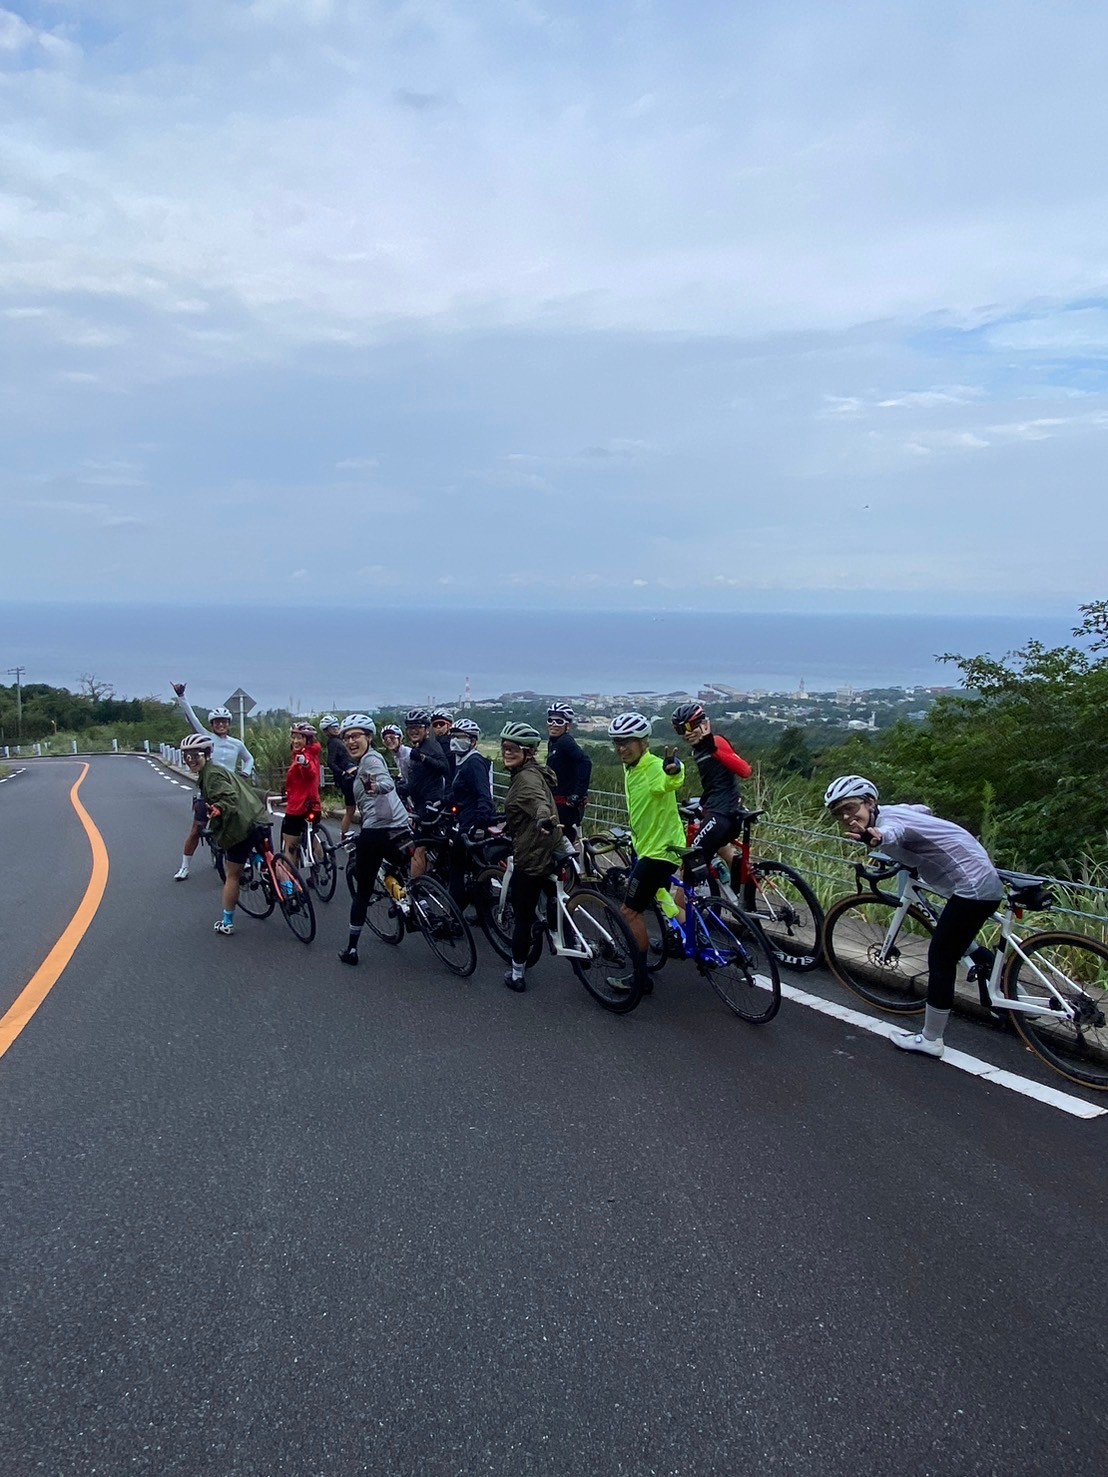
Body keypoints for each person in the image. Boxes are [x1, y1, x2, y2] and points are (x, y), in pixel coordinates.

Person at [825, 775, 1004, 1059]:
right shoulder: (892, 810)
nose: (846, 817)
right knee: (958, 939)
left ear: (870, 802)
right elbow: (922, 810)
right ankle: (1011, 993)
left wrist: (877, 839)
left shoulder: (887, 823)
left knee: (941, 958)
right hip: (976, 877)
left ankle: (931, 1039)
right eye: (839, 813)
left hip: (973, 885)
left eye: (850, 808)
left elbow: (892, 833)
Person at [609, 712, 685, 967]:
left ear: (644, 742)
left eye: (627, 742)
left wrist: (675, 770)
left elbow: (670, 780)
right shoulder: (631, 767)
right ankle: (695, 940)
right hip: (653, 847)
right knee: (663, 895)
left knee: (629, 911)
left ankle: (640, 977)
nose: (621, 748)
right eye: (617, 742)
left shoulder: (652, 767)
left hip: (658, 852)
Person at [337, 715, 413, 967]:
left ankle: (351, 949)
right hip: (401, 827)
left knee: (363, 891)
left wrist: (376, 787)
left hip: (378, 831)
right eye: (347, 737)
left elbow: (385, 782)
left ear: (368, 738)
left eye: (356, 736)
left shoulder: (371, 760)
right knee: (405, 872)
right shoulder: (364, 763)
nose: (351, 741)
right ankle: (416, 905)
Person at [179, 732, 268, 934]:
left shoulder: (211, 776)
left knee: (233, 875)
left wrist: (219, 807)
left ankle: (227, 923)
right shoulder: (220, 770)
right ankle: (289, 891)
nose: (191, 760)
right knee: (269, 857)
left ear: (207, 754)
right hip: (258, 819)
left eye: (195, 755)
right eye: (187, 756)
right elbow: (245, 791)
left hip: (240, 827)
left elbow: (229, 797)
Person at [499, 721, 562, 992]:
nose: (507, 752)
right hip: (553, 846)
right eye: (505, 747)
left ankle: (517, 974)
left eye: (513, 748)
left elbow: (538, 804)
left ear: (528, 753)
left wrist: (543, 819)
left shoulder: (525, 780)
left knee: (522, 915)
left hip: (533, 854)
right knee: (553, 896)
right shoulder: (534, 772)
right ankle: (561, 932)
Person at [170, 681, 255, 880]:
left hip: (231, 790)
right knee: (197, 828)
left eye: (224, 721)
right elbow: (192, 718)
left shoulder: (236, 744)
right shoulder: (206, 738)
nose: (221, 725)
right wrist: (182, 697)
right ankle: (184, 866)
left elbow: (249, 758)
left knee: (243, 824)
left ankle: (243, 857)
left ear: (229, 723)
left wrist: (244, 774)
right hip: (208, 790)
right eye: (217, 722)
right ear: (212, 725)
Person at [671, 702, 752, 873]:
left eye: (690, 726)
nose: (686, 733)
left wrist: (713, 748)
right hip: (721, 810)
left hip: (722, 813)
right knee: (720, 849)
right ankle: (739, 883)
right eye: (680, 730)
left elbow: (745, 771)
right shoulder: (697, 750)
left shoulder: (716, 742)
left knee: (691, 864)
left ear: (703, 723)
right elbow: (714, 784)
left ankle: (690, 893)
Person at [448, 718, 496, 903]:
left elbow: (484, 794)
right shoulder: (461, 761)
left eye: (461, 737)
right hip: (466, 817)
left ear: (473, 741)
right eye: (453, 736)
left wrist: (479, 823)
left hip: (473, 821)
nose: (455, 740)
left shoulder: (474, 762)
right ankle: (480, 905)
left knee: (458, 864)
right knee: (475, 867)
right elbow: (461, 791)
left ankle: (456, 909)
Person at [397, 709, 449, 879]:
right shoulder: (419, 747)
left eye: (418, 727)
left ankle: (416, 888)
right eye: (410, 728)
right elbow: (419, 779)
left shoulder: (431, 746)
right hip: (422, 803)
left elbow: (444, 767)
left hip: (430, 804)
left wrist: (423, 758)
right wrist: (402, 787)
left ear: (426, 729)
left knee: (418, 848)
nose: (413, 731)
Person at [545, 703, 592, 843]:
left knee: (561, 840)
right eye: (550, 720)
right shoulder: (553, 742)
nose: (553, 724)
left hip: (567, 803)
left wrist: (579, 793)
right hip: (559, 800)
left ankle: (573, 857)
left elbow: (585, 762)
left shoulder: (565, 741)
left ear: (568, 726)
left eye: (559, 721)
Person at [282, 722, 322, 868]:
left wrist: (305, 765)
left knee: (290, 845)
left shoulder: (304, 757)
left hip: (297, 807)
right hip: (314, 805)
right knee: (311, 835)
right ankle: (323, 862)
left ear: (308, 740)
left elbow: (310, 773)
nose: (295, 741)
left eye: (300, 738)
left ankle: (288, 880)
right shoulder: (313, 754)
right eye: (294, 737)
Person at [321, 715, 358, 839]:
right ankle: (345, 834)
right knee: (352, 808)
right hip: (348, 779)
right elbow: (330, 762)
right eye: (332, 727)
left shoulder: (338, 740)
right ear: (327, 730)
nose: (336, 729)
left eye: (337, 726)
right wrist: (342, 773)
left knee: (351, 809)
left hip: (350, 776)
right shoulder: (334, 743)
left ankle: (344, 834)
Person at [431, 708, 457, 777]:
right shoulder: (431, 744)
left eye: (441, 724)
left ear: (449, 725)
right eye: (435, 724)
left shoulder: (455, 744)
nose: (438, 727)